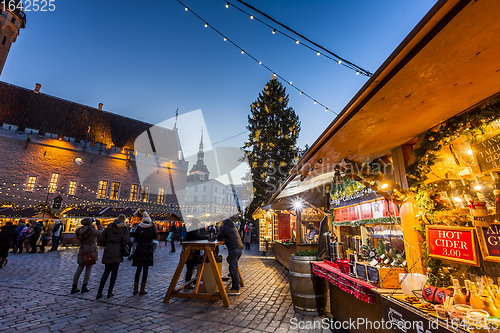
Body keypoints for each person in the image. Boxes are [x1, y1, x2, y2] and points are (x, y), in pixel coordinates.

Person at [96, 214, 130, 299]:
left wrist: (107, 243)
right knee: (114, 272)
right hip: (118, 251)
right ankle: (110, 292)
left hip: (109, 250)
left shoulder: (110, 227)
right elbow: (128, 240)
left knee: (106, 272)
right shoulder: (124, 229)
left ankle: (99, 292)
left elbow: (100, 239)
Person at [71, 218, 103, 294]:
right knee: (88, 269)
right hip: (90, 251)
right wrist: (99, 224)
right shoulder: (92, 231)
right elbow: (102, 232)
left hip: (82, 251)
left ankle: (74, 286)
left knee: (79, 269)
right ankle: (84, 286)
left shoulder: (79, 230)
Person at [132, 212, 157, 295]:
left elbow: (135, 237)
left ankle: (135, 288)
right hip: (147, 248)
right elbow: (155, 236)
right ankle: (142, 289)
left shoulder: (139, 227)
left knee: (138, 269)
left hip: (139, 248)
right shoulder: (151, 227)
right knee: (145, 269)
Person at [217, 218, 243, 295]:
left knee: (233, 268)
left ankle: (236, 288)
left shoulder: (226, 228)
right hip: (239, 249)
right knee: (233, 267)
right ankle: (235, 285)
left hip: (233, 249)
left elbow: (219, 237)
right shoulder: (233, 227)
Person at [184, 219, 207, 287]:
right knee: (190, 267)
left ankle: (194, 281)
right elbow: (197, 237)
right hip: (191, 251)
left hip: (194, 251)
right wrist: (206, 237)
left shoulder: (193, 229)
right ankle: (188, 282)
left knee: (193, 267)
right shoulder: (192, 229)